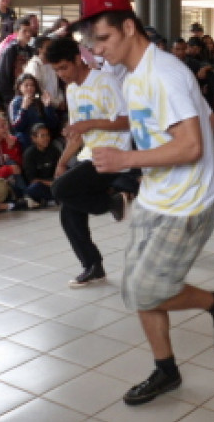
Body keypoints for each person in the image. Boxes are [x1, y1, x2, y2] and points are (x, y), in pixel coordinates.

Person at [76, 0, 214, 406]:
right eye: (92, 42)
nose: (97, 50)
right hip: (156, 195)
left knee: (144, 290)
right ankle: (165, 369)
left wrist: (125, 160)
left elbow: (191, 147)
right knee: (136, 289)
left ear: (128, 27)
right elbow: (199, 115)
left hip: (187, 203)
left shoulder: (164, 73)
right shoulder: (136, 77)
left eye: (103, 38)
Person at [48, 36, 138, 288]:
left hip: (114, 154)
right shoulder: (72, 90)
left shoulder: (105, 81)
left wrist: (91, 123)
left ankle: (111, 201)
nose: (62, 74)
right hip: (89, 155)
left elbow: (127, 120)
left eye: (64, 67)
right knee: (68, 210)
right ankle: (93, 266)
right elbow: (78, 134)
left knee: (59, 190)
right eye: (56, 70)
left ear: (78, 59)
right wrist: (62, 162)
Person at [0, 16, 35, 110]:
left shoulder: (31, 51)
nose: (28, 34)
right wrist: (10, 100)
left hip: (27, 94)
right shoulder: (9, 50)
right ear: (16, 33)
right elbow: (2, 78)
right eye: (24, 31)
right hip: (12, 97)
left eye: (29, 31)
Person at [8, 73, 58, 151]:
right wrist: (23, 108)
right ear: (19, 87)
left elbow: (52, 124)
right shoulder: (16, 102)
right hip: (26, 143)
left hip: (44, 141)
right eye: (26, 85)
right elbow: (17, 127)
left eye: (32, 85)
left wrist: (48, 107)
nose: (30, 88)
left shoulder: (39, 100)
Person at [22, 123, 60, 209]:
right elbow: (32, 180)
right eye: (42, 136)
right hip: (42, 185)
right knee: (33, 189)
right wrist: (50, 183)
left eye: (47, 135)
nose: (46, 138)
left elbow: (60, 168)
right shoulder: (29, 154)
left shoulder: (53, 150)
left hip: (55, 182)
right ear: (34, 138)